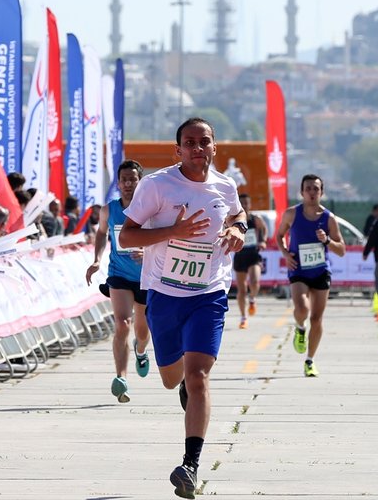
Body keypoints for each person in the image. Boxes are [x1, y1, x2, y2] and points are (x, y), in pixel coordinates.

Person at [118, 118, 247, 499]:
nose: (197, 148)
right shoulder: (156, 185)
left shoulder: (225, 185)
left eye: (203, 141)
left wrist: (239, 229)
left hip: (209, 293)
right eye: (189, 142)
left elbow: (238, 215)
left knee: (198, 377)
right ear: (178, 151)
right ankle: (182, 388)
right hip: (165, 293)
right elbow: (127, 236)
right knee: (172, 378)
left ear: (214, 147)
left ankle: (190, 465)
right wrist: (173, 232)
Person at [85, 160, 151, 403]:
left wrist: (147, 252)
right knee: (123, 324)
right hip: (119, 274)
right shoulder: (109, 210)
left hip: (145, 276)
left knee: (142, 331)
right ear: (118, 182)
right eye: (123, 179)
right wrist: (96, 260)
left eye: (132, 179)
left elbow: (162, 238)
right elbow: (102, 233)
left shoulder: (151, 209)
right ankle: (121, 378)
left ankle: (141, 351)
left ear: (140, 181)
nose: (127, 184)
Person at [276, 174, 346, 378]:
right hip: (298, 268)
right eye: (308, 188)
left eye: (316, 188)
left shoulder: (329, 218)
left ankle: (310, 360)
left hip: (320, 270)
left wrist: (326, 242)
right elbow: (279, 235)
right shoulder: (291, 214)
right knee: (302, 308)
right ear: (302, 192)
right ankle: (299, 327)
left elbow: (341, 250)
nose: (312, 192)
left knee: (317, 318)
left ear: (321, 192)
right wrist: (285, 253)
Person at [233, 193, 268, 329]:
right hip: (240, 255)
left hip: (253, 255)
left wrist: (263, 241)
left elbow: (264, 229)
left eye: (247, 203)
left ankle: (252, 299)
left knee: (254, 282)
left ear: (250, 204)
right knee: (241, 290)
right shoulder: (234, 220)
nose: (245, 206)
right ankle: (243, 318)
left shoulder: (255, 219)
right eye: (242, 203)